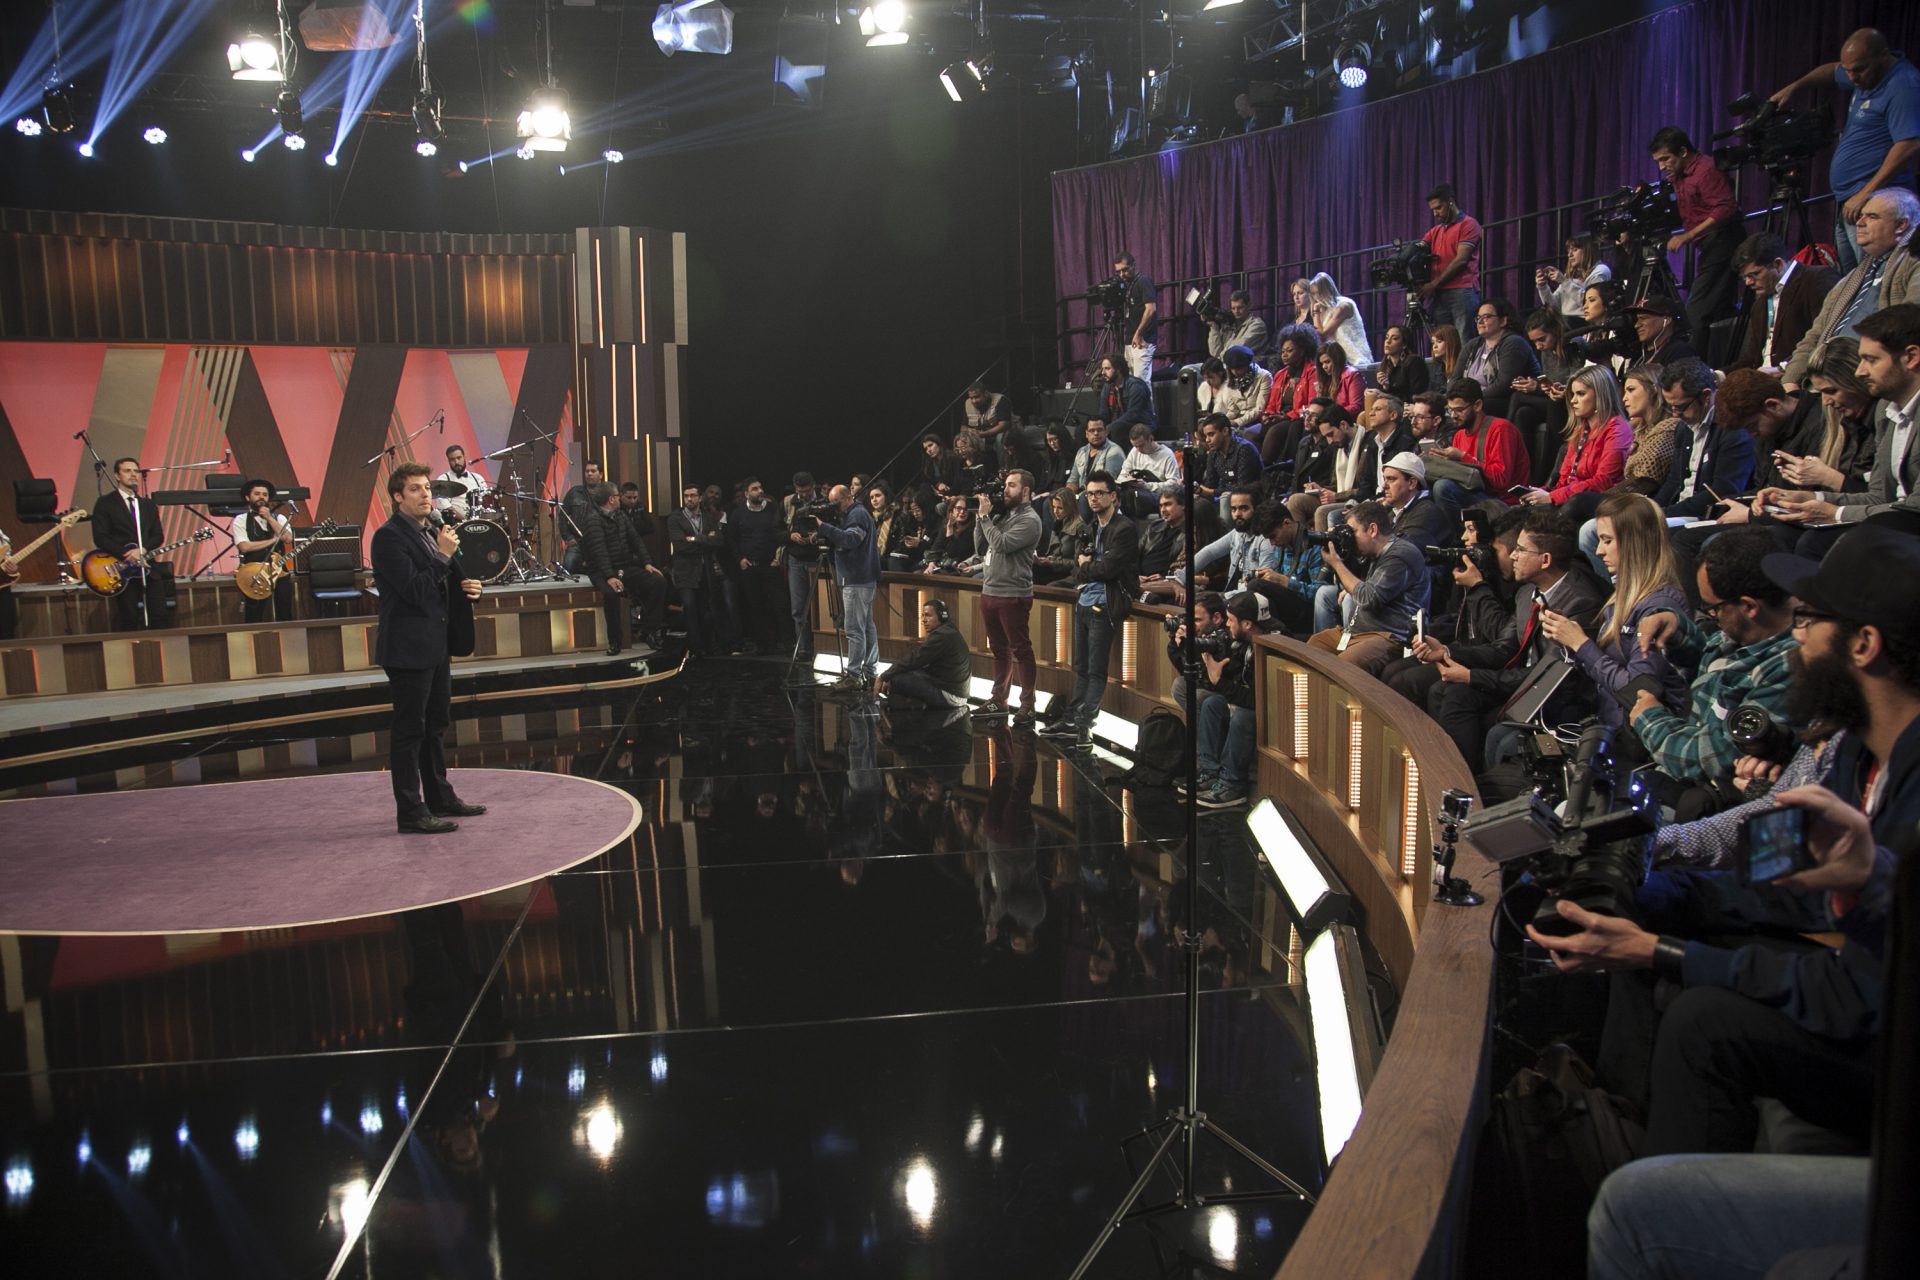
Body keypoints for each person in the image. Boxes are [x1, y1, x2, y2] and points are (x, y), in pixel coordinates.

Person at [1530, 523, 1920, 1158]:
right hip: (1836, 959)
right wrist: (1651, 866)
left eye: (1808, 620)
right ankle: (1601, 1112)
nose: (1796, 637)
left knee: (1702, 1020)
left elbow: (1855, 994)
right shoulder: (1851, 746)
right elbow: (1772, 854)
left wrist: (1663, 953)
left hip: (1882, 1035)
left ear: (1864, 644)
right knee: (1646, 895)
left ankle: (1646, 1179)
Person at [1422, 510, 1607, 772]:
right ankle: (1448, 774)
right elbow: (1504, 649)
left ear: (1545, 560)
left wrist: (1473, 676)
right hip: (1523, 684)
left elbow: (1548, 680)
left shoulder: (1580, 604)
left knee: (1482, 718)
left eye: (1520, 550)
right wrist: (1446, 651)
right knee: (1444, 691)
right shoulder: (1526, 592)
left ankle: (1460, 780)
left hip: (1554, 700)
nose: (1512, 556)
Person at [1625, 528, 1797, 804]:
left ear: (1749, 606)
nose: (1712, 616)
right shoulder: (1750, 631)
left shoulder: (1789, 670)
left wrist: (1649, 718)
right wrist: (1677, 630)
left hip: (1706, 797)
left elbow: (1704, 760)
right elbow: (1713, 668)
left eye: (1714, 609)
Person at [370, 463, 485, 834]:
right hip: (407, 647)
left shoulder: (431, 531)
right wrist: (442, 556)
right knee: (410, 731)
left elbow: (444, 585)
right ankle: (411, 812)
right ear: (397, 496)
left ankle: (440, 797)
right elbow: (414, 591)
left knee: (435, 725)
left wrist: (470, 590)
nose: (425, 495)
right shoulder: (388, 538)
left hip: (435, 644)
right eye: (415, 489)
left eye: (427, 488)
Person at [1762, 303, 1920, 547]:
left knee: (1811, 544)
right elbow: (1879, 497)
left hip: (1904, 538)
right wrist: (1812, 498)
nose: (1860, 372)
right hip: (1892, 532)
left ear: (1911, 357)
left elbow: (1914, 509)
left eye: (1871, 360)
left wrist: (1836, 513)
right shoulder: (1886, 412)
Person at [1539, 492, 1690, 742]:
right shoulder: (1622, 596)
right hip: (1607, 724)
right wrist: (1569, 642)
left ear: (1634, 542)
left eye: (1607, 541)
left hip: (1639, 740)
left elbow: (1637, 690)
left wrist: (1581, 644)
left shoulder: (1661, 606)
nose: (1598, 551)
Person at [1770, 27, 1920, 273]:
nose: (1852, 77)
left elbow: (1908, 144)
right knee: (1852, 278)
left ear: (1883, 56)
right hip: (1851, 199)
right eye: (1848, 70)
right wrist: (1794, 87)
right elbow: (1831, 71)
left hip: (1875, 200)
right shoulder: (1863, 75)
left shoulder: (1903, 85)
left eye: (1858, 69)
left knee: (1873, 275)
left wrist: (1865, 193)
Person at [1781, 187, 1920, 389]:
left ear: (1901, 225)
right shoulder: (1851, 279)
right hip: (1820, 380)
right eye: (1861, 216)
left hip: (1869, 381)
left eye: (1872, 216)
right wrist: (1790, 382)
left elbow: (1912, 322)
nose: (1859, 223)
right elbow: (1815, 335)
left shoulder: (1913, 262)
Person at [1038, 472, 1136, 748]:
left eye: (1099, 493)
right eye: (1090, 493)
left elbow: (1108, 570)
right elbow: (1077, 568)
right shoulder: (1090, 527)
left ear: (1113, 496)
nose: (1093, 498)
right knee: (1080, 667)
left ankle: (1084, 725)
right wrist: (1087, 566)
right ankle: (1071, 721)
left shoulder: (1124, 528)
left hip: (1105, 603)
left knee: (1095, 669)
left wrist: (1086, 565)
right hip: (1083, 601)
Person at [1306, 499, 1431, 675]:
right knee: (1311, 650)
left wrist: (1336, 564)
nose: (1350, 537)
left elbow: (1368, 598)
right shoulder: (1371, 554)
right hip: (1355, 633)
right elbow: (1349, 585)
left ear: (1372, 530)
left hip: (1389, 637)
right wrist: (1342, 551)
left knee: (1341, 670)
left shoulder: (1401, 554)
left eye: (1353, 532)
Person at [1648, 125, 1745, 341]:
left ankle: (1692, 358)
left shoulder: (1706, 170)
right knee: (1718, 308)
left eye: (1665, 159)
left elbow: (1726, 208)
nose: (1662, 166)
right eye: (1658, 161)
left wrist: (1688, 236)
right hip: (1709, 245)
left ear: (1683, 151)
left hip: (1724, 240)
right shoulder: (1678, 175)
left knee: (1696, 310)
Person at [972, 469, 1043, 723]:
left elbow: (1001, 544)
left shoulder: (1030, 520)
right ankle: (999, 699)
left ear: (1026, 491)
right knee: (999, 650)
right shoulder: (1002, 516)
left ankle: (1028, 705)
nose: (1005, 490)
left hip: (1013, 594)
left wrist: (985, 518)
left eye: (1011, 485)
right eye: (1005, 485)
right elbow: (981, 547)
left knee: (1021, 650)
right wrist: (981, 519)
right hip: (989, 590)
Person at [1651, 357, 1754, 521]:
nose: (1675, 414)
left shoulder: (1733, 428)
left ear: (1706, 395)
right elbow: (1674, 481)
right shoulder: (1683, 427)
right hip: (1677, 512)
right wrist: (1651, 510)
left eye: (1681, 406)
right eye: (1670, 406)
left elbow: (1723, 491)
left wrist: (1664, 514)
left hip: (1707, 516)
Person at [1518, 365, 1633, 509]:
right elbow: (1564, 479)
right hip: (1570, 499)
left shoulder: (1617, 429)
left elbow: (1603, 481)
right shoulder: (1580, 429)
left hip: (1597, 503)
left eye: (1580, 394)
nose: (1573, 400)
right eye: (1572, 394)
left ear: (1600, 395)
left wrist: (1552, 497)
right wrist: (1541, 493)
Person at [1191, 592, 1263, 810]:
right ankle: (1210, 772)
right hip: (1248, 702)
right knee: (1212, 704)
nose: (1227, 625)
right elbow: (1231, 677)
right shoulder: (1241, 642)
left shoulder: (1268, 647)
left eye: (1231, 620)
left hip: (1269, 713)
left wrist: (1219, 681)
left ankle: (1232, 784)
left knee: (1243, 716)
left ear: (1247, 624)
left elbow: (1257, 700)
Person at [1730, 232, 1839, 373]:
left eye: (1754, 274)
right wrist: (1719, 375)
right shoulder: (1759, 304)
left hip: (1798, 376)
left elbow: (1827, 338)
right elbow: (1751, 358)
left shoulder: (1816, 279)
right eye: (1745, 277)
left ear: (1778, 264)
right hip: (1763, 377)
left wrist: (1783, 369)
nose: (1748, 282)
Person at [581, 482, 666, 655]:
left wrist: (647, 563)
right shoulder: (593, 520)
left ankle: (649, 630)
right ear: (611, 499)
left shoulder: (620, 515)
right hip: (601, 571)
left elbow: (635, 539)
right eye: (618, 496)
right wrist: (610, 577)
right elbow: (600, 551)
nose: (620, 499)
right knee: (611, 593)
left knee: (658, 581)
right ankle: (615, 641)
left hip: (623, 566)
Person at [89, 456, 173, 631]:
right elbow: (101, 537)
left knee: (160, 614)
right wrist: (126, 554)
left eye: (136, 471)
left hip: (147, 566)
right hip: (122, 568)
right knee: (129, 617)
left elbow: (158, 536)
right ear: (117, 475)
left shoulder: (147, 505)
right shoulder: (105, 503)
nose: (133, 474)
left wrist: (143, 549)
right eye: (127, 471)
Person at [1430, 376, 1531, 520]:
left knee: (1443, 487)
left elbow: (1501, 481)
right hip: (1478, 494)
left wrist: (1463, 457)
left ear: (1477, 405)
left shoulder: (1500, 429)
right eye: (1450, 410)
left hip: (1503, 502)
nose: (1453, 416)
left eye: (1459, 410)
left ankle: (1461, 533)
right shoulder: (1459, 435)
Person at [812, 483, 881, 691]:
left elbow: (851, 540)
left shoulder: (857, 514)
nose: (834, 507)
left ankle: (853, 676)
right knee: (866, 627)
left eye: (836, 503)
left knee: (854, 630)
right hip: (862, 579)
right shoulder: (855, 513)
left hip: (856, 579)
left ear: (848, 497)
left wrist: (823, 527)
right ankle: (870, 672)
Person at [1245, 500, 1323, 638]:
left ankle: (1275, 636)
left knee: (1257, 586)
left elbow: (1320, 594)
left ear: (1286, 523)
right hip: (1289, 610)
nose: (1272, 543)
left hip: (1309, 613)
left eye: (1273, 536)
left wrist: (1283, 581)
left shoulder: (1315, 546)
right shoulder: (1281, 546)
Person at [876, 600, 971, 711]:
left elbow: (914, 659)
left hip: (951, 696)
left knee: (897, 679)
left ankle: (898, 716)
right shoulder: (948, 630)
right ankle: (913, 708)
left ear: (942, 616)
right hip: (952, 692)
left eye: (928, 615)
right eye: (923, 616)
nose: (924, 620)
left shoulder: (942, 635)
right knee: (905, 673)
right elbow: (917, 662)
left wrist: (884, 676)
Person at [727, 476, 785, 654]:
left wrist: (778, 556)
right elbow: (731, 539)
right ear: (746, 494)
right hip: (750, 566)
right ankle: (762, 644)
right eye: (755, 489)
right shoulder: (738, 513)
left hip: (771, 564)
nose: (760, 491)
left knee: (779, 604)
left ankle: (785, 643)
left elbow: (781, 532)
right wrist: (740, 559)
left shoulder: (772, 509)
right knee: (755, 606)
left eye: (760, 487)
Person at [1418, 182, 1484, 337]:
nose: (1435, 213)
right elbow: (1418, 249)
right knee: (1444, 343)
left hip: (1462, 290)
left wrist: (1433, 284)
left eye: (1438, 208)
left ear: (1451, 202)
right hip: (1440, 294)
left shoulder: (1469, 224)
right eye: (1433, 210)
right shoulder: (1435, 231)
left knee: (1465, 340)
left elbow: (1461, 260)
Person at [667, 483, 726, 657]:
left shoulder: (708, 517)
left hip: (704, 569)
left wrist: (694, 539)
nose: (689, 499)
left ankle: (708, 646)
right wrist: (705, 539)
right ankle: (695, 648)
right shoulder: (675, 518)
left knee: (705, 609)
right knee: (690, 607)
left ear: (700, 498)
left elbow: (719, 541)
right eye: (686, 496)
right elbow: (680, 545)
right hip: (685, 570)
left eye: (692, 495)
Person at [1458, 296, 1540, 417]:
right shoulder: (1472, 345)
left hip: (1504, 400)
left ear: (1503, 321)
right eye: (1478, 318)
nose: (1480, 322)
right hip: (1473, 399)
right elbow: (1455, 378)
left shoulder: (1514, 343)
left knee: (1477, 407)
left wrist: (1469, 400)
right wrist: (1456, 397)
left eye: (1486, 317)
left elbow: (1503, 385)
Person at [1255, 324, 1322, 467]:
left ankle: (1266, 471)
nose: (1284, 355)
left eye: (1289, 351)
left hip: (1295, 419)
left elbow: (1311, 405)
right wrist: (1267, 415)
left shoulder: (1312, 372)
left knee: (1274, 431)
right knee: (1249, 433)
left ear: (1302, 351)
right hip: (1278, 417)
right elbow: (1271, 403)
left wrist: (1286, 416)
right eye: (1283, 351)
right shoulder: (1280, 374)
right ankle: (1253, 470)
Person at [230, 478, 294, 623]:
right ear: (248, 497)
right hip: (254, 573)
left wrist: (270, 518)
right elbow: (244, 546)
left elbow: (287, 538)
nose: (261, 497)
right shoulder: (240, 519)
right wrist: (273, 540)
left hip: (280, 571)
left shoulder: (279, 518)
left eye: (265, 495)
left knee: (285, 611)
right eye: (257, 494)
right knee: (254, 614)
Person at [783, 471, 823, 659]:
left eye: (807, 491)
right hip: (796, 559)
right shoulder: (788, 502)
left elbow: (833, 527)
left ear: (813, 486)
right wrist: (790, 535)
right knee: (799, 608)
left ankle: (823, 647)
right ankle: (804, 649)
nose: (804, 495)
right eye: (800, 491)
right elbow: (775, 529)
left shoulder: (823, 501)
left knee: (821, 606)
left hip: (818, 558)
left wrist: (817, 536)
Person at [1193, 413, 1262, 517]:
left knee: (1226, 498)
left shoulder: (1244, 449)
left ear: (1225, 431)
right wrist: (1199, 490)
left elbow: (1243, 487)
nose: (1207, 440)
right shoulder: (1213, 453)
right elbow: (1210, 483)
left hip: (1249, 499)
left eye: (1211, 434)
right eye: (1206, 436)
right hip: (1221, 496)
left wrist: (1212, 492)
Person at [1535, 233, 1613, 323]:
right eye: (1568, 251)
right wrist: (1543, 286)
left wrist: (1563, 281)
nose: (1570, 255)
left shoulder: (1600, 270)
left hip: (1585, 322)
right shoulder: (1569, 276)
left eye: (1575, 250)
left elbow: (1590, 301)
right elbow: (1554, 307)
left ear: (1588, 251)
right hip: (1566, 323)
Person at [1198, 345, 1270, 435]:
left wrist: (1237, 422)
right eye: (1232, 368)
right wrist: (1223, 421)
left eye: (1238, 368)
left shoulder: (1264, 377)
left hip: (1255, 420)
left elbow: (1259, 409)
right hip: (1237, 420)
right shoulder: (1231, 379)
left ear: (1247, 365)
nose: (1235, 372)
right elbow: (1233, 409)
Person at [1110, 251, 1159, 380]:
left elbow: (1151, 309)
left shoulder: (1143, 281)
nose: (1122, 274)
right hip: (1130, 339)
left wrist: (1138, 333)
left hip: (1143, 339)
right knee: (1130, 382)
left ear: (1133, 265)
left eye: (1125, 270)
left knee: (1141, 382)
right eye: (1119, 272)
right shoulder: (1126, 285)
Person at [1117, 421, 1181, 517]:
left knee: (1133, 496)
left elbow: (1174, 485)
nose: (1138, 450)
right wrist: (1128, 480)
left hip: (1157, 495)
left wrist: (1146, 486)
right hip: (1135, 492)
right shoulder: (1134, 452)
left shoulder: (1167, 455)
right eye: (1135, 446)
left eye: (1141, 446)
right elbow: (1121, 476)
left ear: (1151, 439)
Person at [1306, 271, 1372, 365]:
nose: (1317, 297)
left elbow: (1323, 333)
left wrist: (1316, 311)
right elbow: (1318, 335)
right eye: (1313, 294)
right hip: (1335, 359)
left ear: (1327, 290)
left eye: (1319, 293)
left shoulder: (1343, 305)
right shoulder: (1322, 308)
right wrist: (1316, 312)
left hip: (1355, 358)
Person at [1624, 295, 1699, 370]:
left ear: (1667, 319)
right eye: (1637, 319)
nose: (1636, 325)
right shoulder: (1638, 357)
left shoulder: (1681, 352)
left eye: (1643, 318)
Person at [1033, 488, 1085, 586]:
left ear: (1070, 507)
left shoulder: (1080, 527)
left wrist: (1052, 563)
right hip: (1055, 568)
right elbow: (1054, 553)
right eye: (1053, 507)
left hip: (1069, 573)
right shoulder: (1058, 522)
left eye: (1060, 508)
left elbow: (1077, 563)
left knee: (1049, 585)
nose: (1055, 511)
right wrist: (1047, 560)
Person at [558, 460, 602, 576]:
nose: (589, 474)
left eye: (593, 471)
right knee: (568, 568)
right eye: (587, 471)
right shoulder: (574, 492)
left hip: (599, 542)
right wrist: (568, 537)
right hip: (577, 541)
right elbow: (562, 516)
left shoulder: (606, 493)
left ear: (601, 474)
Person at [1205, 288, 1270, 360]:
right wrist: (1214, 327)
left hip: (1245, 365)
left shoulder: (1257, 325)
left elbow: (1236, 351)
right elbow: (1215, 353)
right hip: (1226, 364)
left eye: (1240, 308)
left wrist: (1220, 357)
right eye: (1233, 308)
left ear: (1249, 305)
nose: (1236, 311)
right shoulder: (1230, 326)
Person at [1067, 413, 1127, 491]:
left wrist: (1084, 494)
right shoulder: (1081, 451)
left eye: (1099, 430)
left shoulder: (1114, 451)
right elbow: (1073, 481)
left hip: (1102, 494)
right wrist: (1067, 494)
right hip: (1083, 494)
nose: (1096, 433)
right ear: (1086, 434)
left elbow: (1107, 483)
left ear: (1106, 432)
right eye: (1092, 430)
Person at [1372, 323, 1430, 399]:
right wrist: (1386, 387)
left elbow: (1417, 396)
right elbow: (1385, 395)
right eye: (1386, 337)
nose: (1388, 341)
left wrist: (1387, 395)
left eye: (1394, 338)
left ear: (1404, 344)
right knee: (1371, 396)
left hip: (1410, 405)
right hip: (1391, 404)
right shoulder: (1384, 366)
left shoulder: (1414, 362)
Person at [433, 445, 489, 519]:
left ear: (464, 457)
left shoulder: (478, 478)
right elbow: (444, 506)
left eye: (459, 458)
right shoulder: (443, 479)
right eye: (452, 459)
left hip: (480, 520)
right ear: (448, 461)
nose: (456, 462)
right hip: (456, 522)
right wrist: (466, 521)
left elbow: (486, 501)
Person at [962, 382, 1015, 460]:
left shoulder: (1000, 400)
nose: (974, 401)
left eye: (977, 397)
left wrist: (983, 434)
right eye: (971, 398)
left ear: (986, 393)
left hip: (999, 433)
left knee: (1000, 439)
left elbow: (1004, 425)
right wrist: (969, 432)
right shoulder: (968, 403)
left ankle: (1003, 466)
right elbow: (963, 426)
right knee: (962, 440)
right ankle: (973, 465)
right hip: (979, 435)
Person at [1314, 341, 1365, 417]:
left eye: (1327, 362)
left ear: (1337, 360)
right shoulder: (1325, 378)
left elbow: (1356, 407)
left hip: (1345, 419)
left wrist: (1329, 413)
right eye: (1322, 363)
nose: (1324, 367)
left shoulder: (1352, 375)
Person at [1428, 323, 1463, 388]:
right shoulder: (1434, 369)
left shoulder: (1463, 367)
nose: (1434, 346)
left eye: (1439, 341)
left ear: (1451, 342)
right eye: (1433, 342)